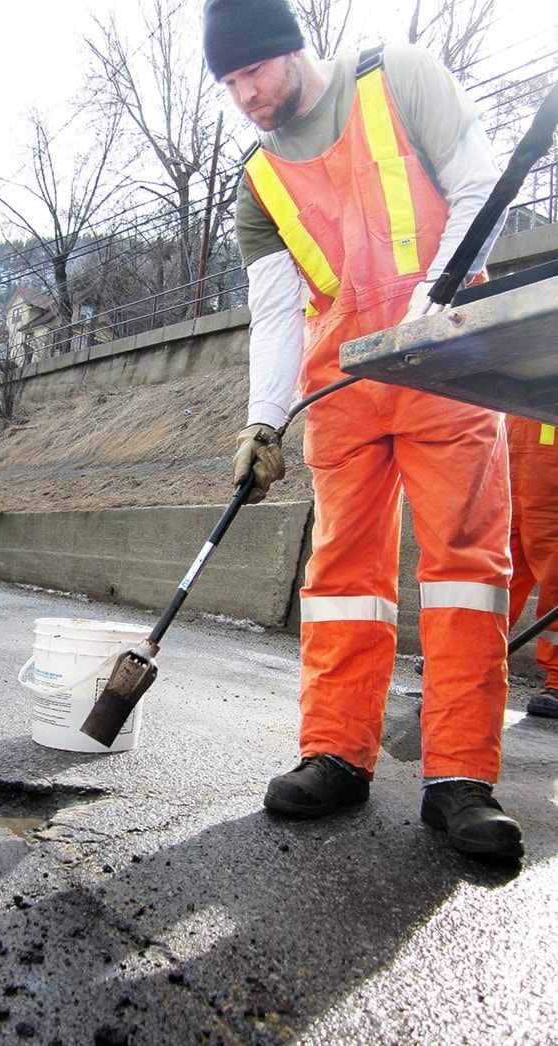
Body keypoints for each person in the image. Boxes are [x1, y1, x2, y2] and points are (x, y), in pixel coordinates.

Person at [202, 0, 524, 860]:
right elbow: (274, 315)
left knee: (463, 566)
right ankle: (334, 752)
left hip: (443, 362)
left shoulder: (398, 79)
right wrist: (262, 421)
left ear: (289, 49)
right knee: (342, 570)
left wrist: (428, 309)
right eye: (228, 83)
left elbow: (480, 190)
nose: (243, 95)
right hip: (341, 387)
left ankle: (459, 776)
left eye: (251, 72)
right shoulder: (259, 179)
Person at [507, 414, 558, 718]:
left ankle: (557, 682)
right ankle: (466, 664)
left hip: (549, 493)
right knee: (492, 584)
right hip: (512, 479)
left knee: (555, 586)